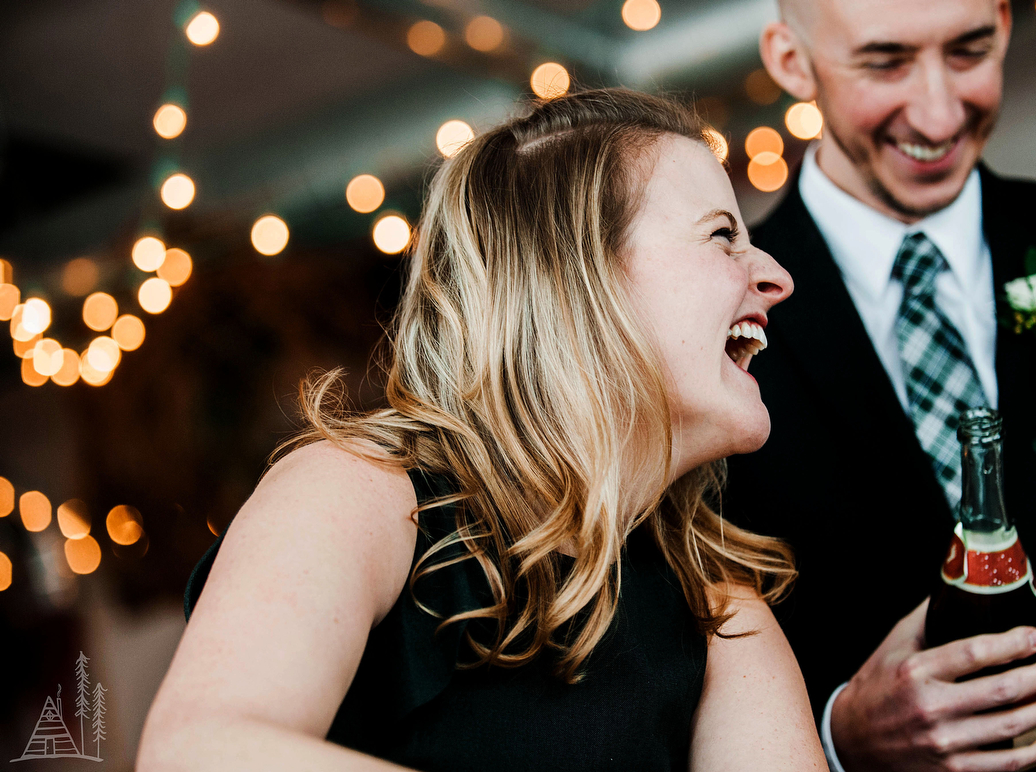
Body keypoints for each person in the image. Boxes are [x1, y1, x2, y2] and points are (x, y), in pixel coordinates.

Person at [137, 89, 830, 772]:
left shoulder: (717, 605)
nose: (774, 276)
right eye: (722, 237)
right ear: (578, 277)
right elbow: (201, 753)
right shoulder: (362, 495)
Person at [726, 0, 1036, 770]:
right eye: (886, 61)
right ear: (790, 60)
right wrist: (837, 737)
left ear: (1006, 26)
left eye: (970, 50)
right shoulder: (723, 329)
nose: (941, 112)